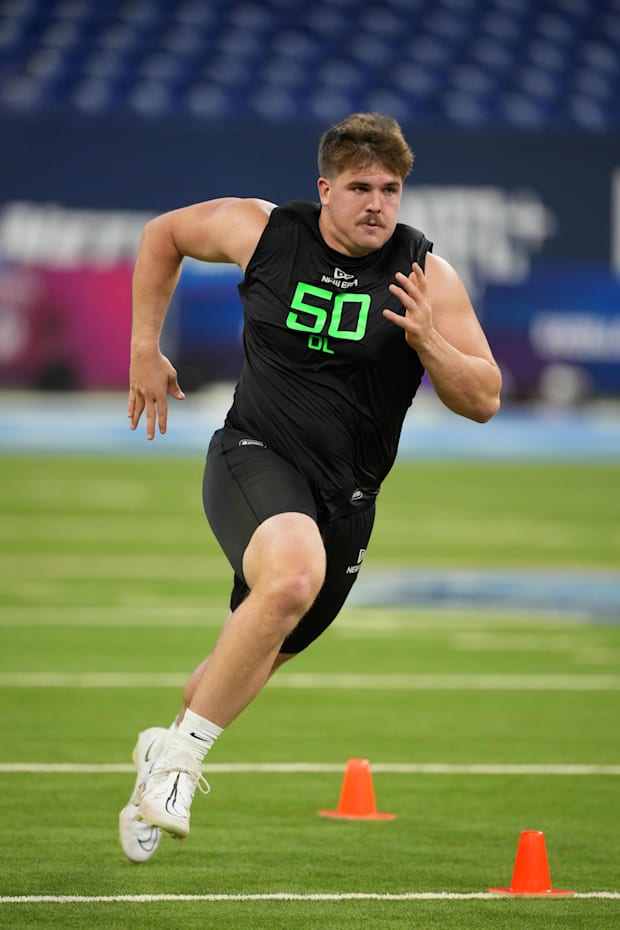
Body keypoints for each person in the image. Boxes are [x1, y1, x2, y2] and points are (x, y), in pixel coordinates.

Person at [119, 112, 502, 862]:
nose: (377, 204)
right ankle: (181, 765)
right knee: (293, 576)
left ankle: (163, 748)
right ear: (324, 189)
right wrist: (143, 345)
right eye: (360, 187)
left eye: (390, 189)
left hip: (348, 502)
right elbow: (162, 234)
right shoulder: (261, 232)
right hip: (254, 455)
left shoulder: (426, 275)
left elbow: (484, 397)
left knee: (250, 650)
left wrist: (428, 340)